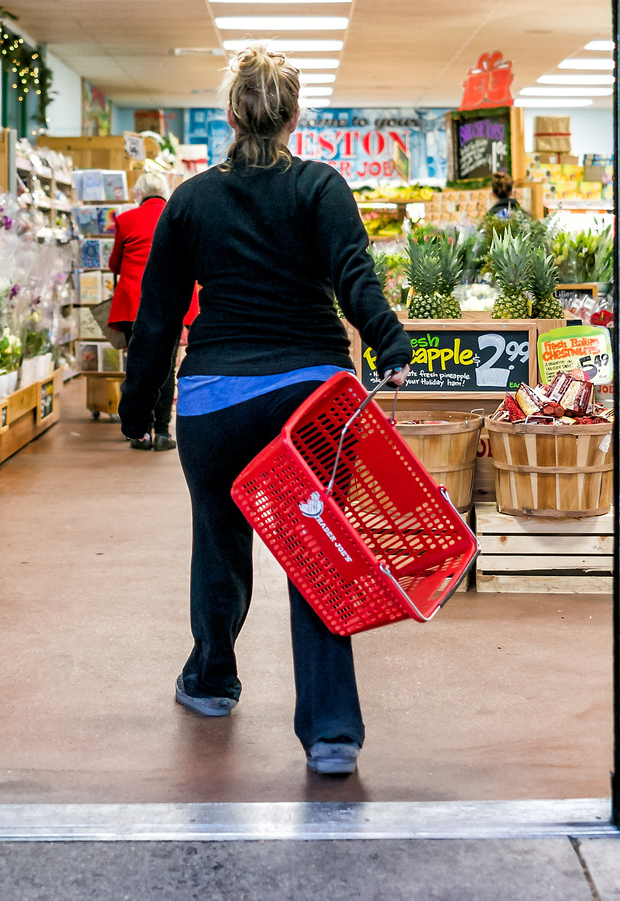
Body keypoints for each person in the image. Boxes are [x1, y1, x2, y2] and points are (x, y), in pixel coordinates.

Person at [118, 45, 411, 777]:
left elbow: (156, 318)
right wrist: (391, 344)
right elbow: (355, 277)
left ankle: (212, 681)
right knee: (318, 554)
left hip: (216, 399)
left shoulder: (189, 199)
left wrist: (137, 409)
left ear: (229, 115)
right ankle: (332, 731)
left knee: (219, 542)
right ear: (294, 116)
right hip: (311, 400)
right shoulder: (322, 186)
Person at [109, 172, 188, 451]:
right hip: (170, 301)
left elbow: (114, 264)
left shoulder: (126, 219)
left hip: (134, 302)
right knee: (166, 366)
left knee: (139, 364)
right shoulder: (177, 215)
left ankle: (138, 431)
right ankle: (163, 431)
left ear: (139, 193)